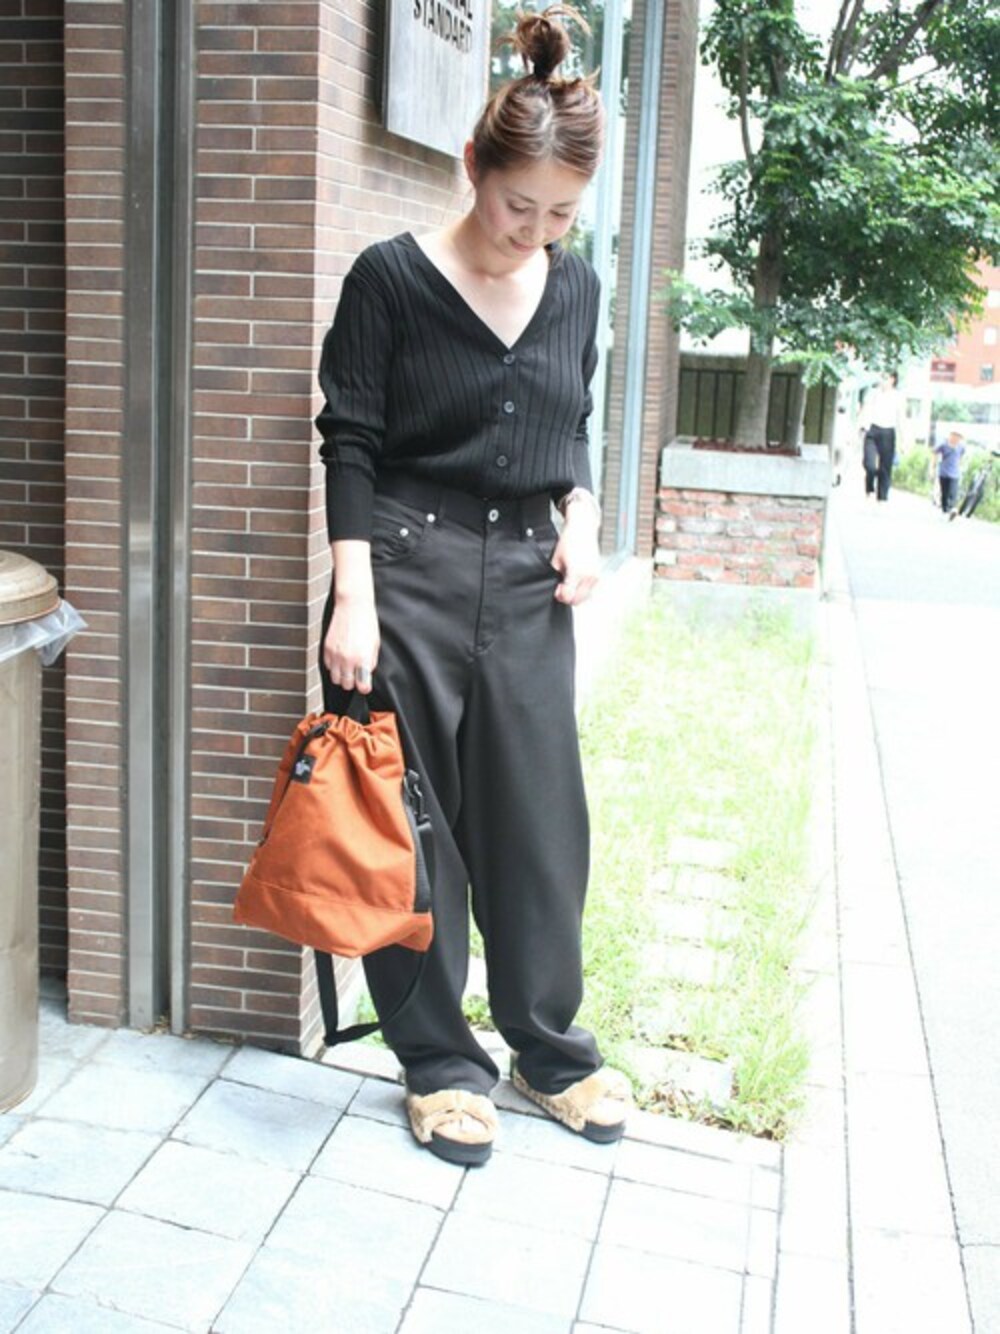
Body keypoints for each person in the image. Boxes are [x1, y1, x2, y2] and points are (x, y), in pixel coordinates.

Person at [314, 6, 631, 1167]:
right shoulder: (390, 279)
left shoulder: (576, 287)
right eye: (516, 207)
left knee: (541, 825)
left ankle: (549, 1049)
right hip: (403, 574)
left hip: (529, 584)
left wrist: (583, 520)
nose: (533, 234)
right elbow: (350, 441)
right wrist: (353, 596)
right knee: (412, 834)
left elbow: (570, 426)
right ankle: (439, 1062)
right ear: (471, 168)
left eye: (559, 215)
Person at [859, 372, 904, 502]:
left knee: (885, 467)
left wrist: (903, 439)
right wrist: (860, 427)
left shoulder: (898, 396)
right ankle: (869, 488)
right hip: (872, 429)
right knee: (870, 465)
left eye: (886, 378)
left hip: (888, 431)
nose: (883, 380)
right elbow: (864, 411)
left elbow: (901, 418)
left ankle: (882, 496)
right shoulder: (873, 393)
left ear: (893, 379)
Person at [935, 429, 966, 519]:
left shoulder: (961, 447)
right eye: (954, 435)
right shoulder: (943, 445)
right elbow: (935, 452)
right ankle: (945, 509)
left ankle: (952, 508)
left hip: (955, 473)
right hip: (943, 472)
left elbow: (961, 457)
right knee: (944, 492)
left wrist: (960, 465)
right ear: (950, 436)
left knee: (953, 491)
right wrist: (933, 466)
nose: (956, 438)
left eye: (958, 437)